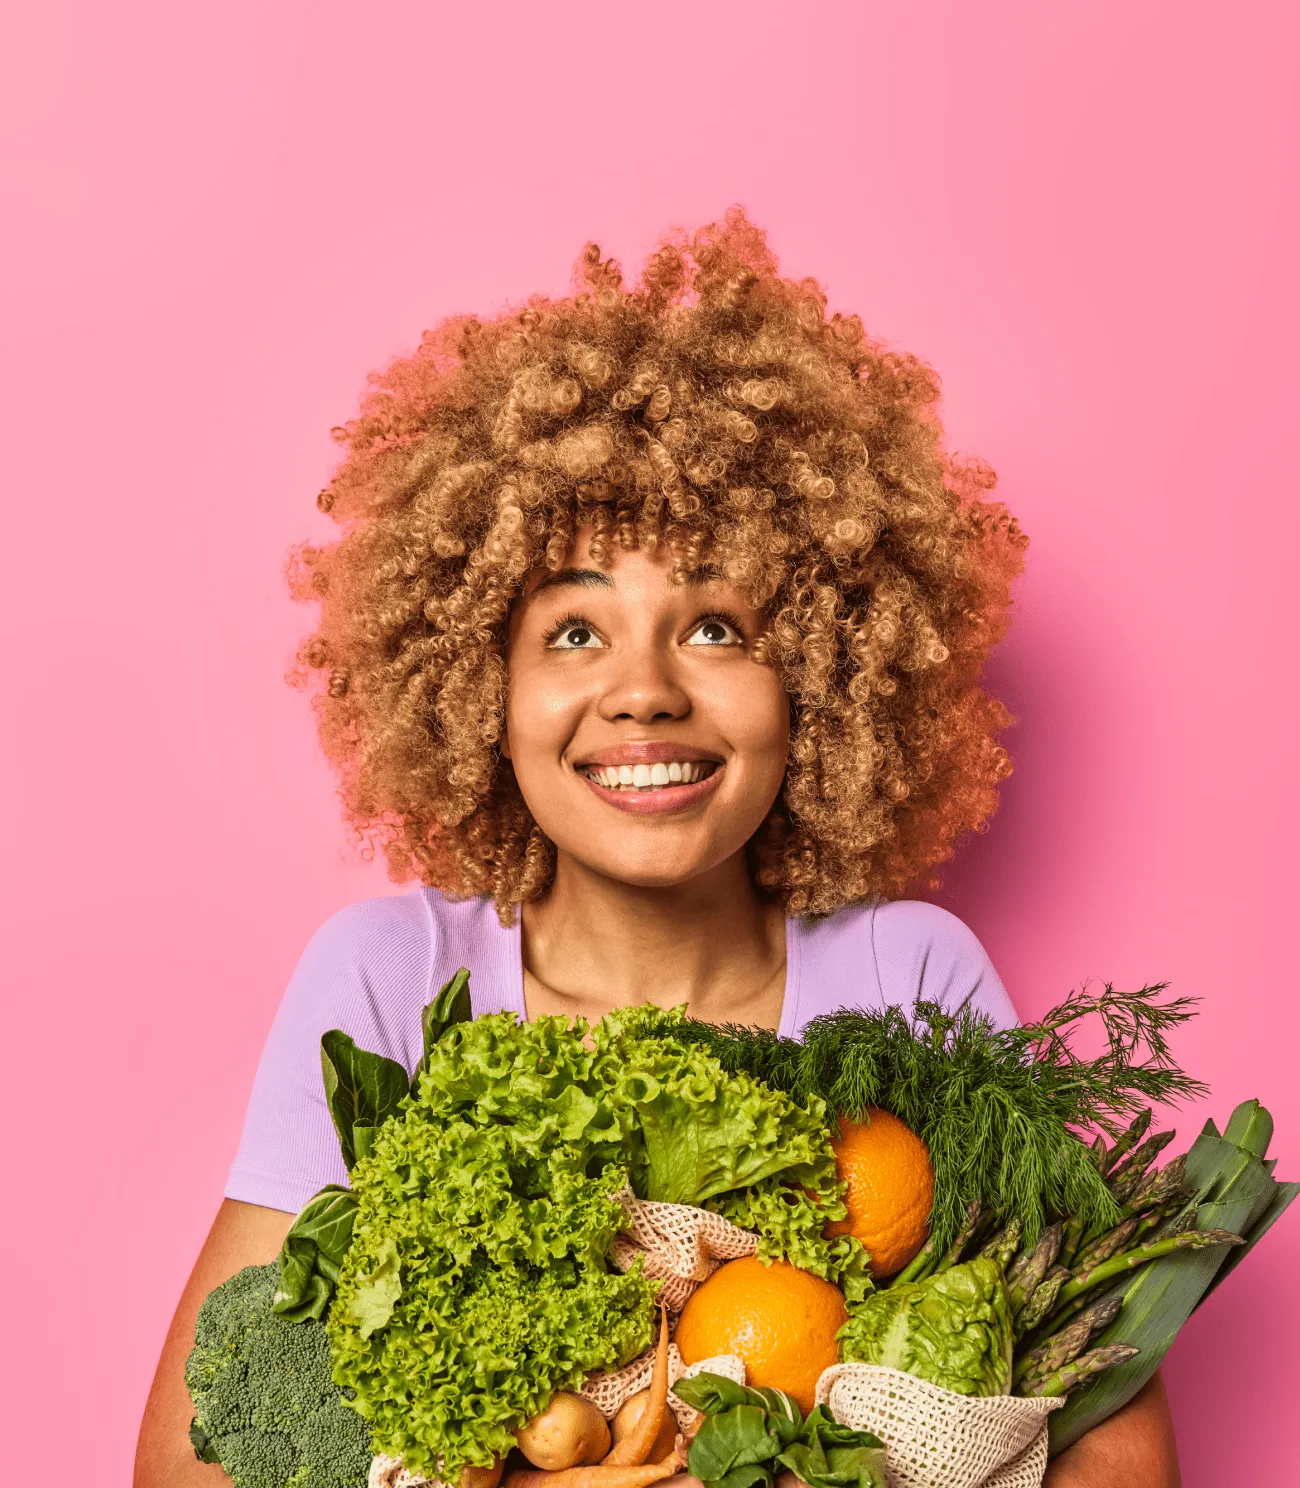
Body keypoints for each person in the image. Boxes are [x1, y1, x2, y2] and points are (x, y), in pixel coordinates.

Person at [135, 211, 1179, 1487]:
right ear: (477, 687)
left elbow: (1117, 1451)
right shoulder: (387, 980)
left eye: (719, 628)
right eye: (574, 630)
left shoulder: (910, 975)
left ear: (826, 680)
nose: (643, 692)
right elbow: (182, 1469)